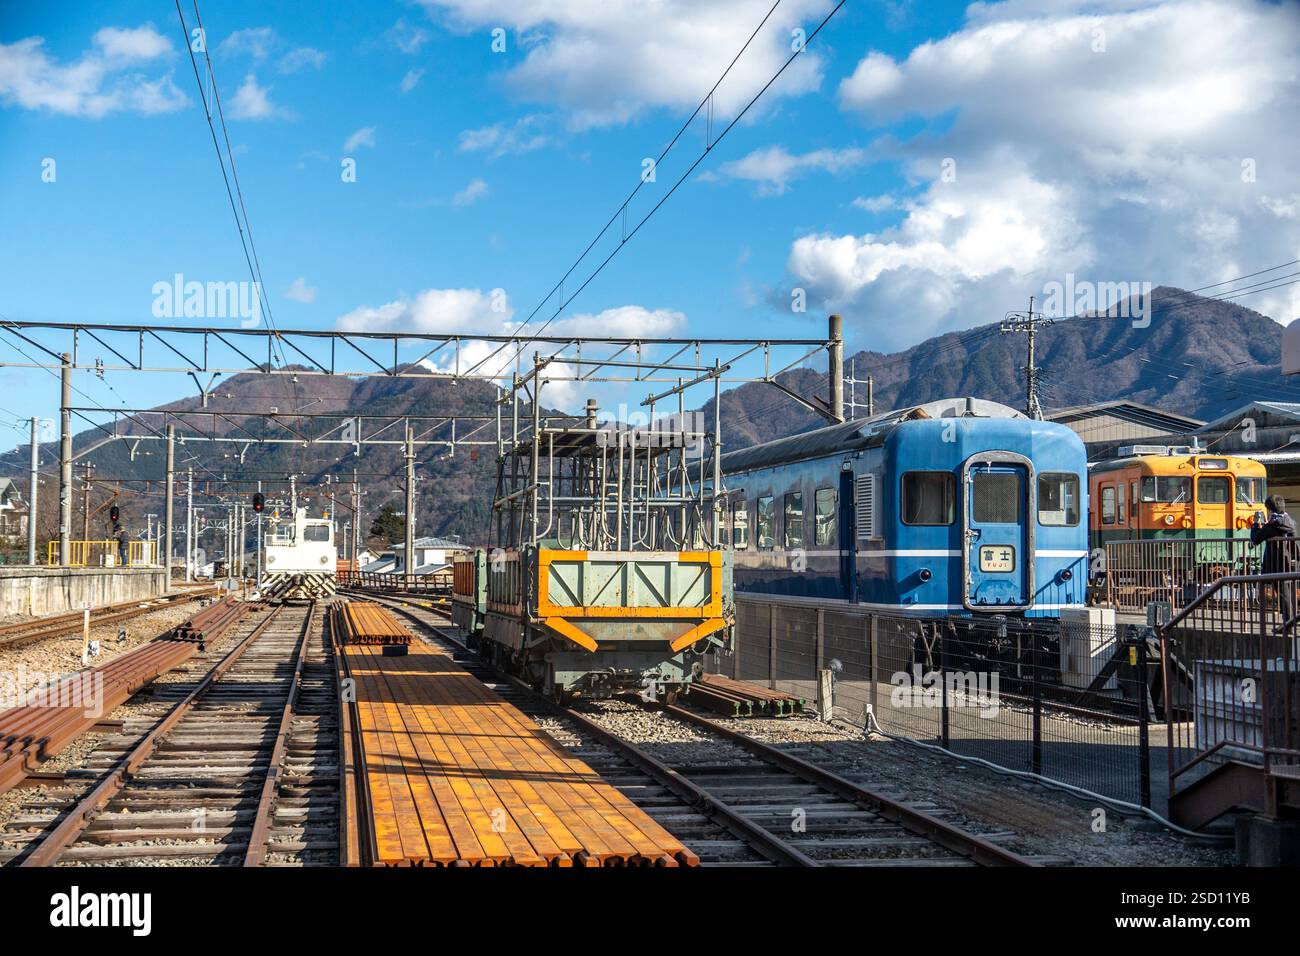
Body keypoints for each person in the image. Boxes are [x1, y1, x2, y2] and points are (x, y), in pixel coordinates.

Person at [1250, 494, 1297, 626]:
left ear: (1270, 509)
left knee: (1283, 594)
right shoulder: (1290, 521)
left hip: (1276, 563)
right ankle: (1289, 622)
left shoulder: (1271, 526)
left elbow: (1255, 539)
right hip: (1289, 562)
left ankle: (1288, 624)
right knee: (1289, 592)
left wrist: (1255, 524)